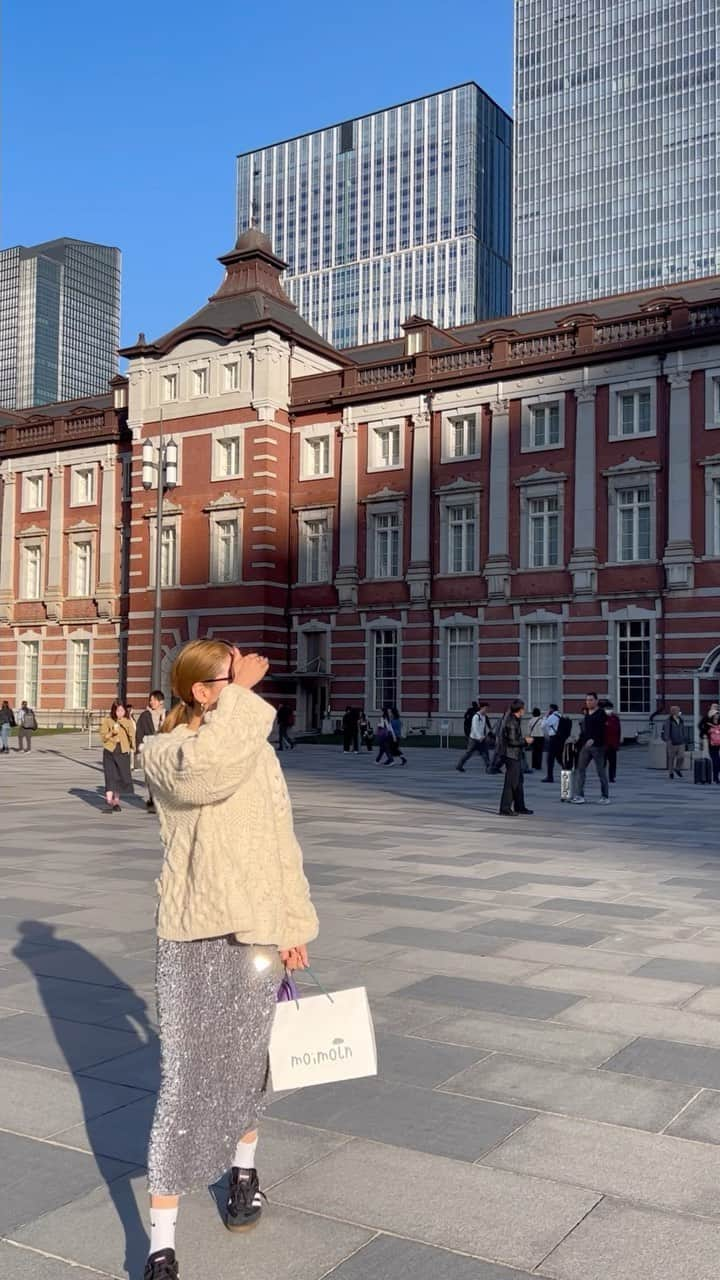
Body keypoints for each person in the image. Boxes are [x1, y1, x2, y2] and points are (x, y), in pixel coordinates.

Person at [140, 640, 318, 1280]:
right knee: (185, 1081)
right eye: (230, 677)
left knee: (251, 1064)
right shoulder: (163, 752)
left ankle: (243, 1175)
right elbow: (207, 770)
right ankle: (161, 1242)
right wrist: (242, 697)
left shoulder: (256, 749)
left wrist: (294, 923)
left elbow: (281, 838)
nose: (245, 683)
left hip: (260, 934)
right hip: (192, 935)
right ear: (201, 691)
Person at [497, 698, 534, 816]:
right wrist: (526, 741)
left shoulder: (515, 720)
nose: (524, 710)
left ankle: (520, 806)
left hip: (515, 754)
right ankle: (505, 808)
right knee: (511, 783)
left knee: (518, 782)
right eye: (523, 708)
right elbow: (512, 741)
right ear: (520, 709)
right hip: (511, 755)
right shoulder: (512, 722)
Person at [571, 692, 610, 805]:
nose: (589, 702)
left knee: (601, 772)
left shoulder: (601, 714)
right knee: (580, 769)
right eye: (587, 700)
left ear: (596, 701)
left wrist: (594, 739)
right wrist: (577, 739)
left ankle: (605, 796)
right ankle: (579, 795)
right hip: (585, 746)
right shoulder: (587, 714)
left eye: (591, 700)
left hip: (598, 747)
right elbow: (585, 731)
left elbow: (602, 730)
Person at [99, 701, 136, 812]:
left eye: (122, 710)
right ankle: (109, 800)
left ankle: (116, 800)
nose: (120, 713)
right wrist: (111, 733)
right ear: (114, 710)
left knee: (120, 776)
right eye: (118, 710)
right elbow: (103, 737)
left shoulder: (128, 722)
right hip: (110, 750)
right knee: (110, 775)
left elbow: (132, 735)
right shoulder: (107, 720)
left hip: (122, 750)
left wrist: (133, 748)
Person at [136, 690, 166, 812]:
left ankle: (161, 800)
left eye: (154, 700)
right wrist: (139, 747)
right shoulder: (145, 715)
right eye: (150, 700)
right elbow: (139, 733)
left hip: (163, 750)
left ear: (161, 701)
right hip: (148, 749)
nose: (151, 702)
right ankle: (152, 800)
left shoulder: (167, 714)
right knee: (150, 776)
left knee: (161, 776)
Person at [456, 702, 492, 772]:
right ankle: (459, 766)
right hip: (474, 739)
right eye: (486, 708)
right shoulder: (476, 717)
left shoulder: (484, 716)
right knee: (468, 753)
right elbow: (475, 728)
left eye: (487, 708)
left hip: (481, 738)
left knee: (485, 752)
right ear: (482, 708)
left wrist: (484, 736)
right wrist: (479, 737)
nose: (487, 710)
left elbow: (482, 727)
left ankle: (488, 767)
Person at [662, 706, 686, 778]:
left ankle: (678, 769)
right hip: (672, 742)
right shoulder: (669, 720)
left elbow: (683, 729)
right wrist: (668, 740)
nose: (679, 712)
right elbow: (666, 731)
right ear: (673, 712)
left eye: (679, 710)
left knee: (681, 757)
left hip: (681, 742)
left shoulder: (681, 720)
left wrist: (684, 738)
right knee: (671, 758)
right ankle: (671, 772)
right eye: (678, 711)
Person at [603, 701, 622, 783]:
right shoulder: (601, 717)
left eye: (610, 708)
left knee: (613, 762)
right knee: (602, 763)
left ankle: (612, 777)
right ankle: (602, 776)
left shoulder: (615, 718)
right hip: (603, 744)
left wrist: (618, 743)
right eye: (607, 708)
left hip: (613, 744)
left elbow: (618, 731)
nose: (609, 710)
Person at [541, 703, 560, 782]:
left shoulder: (552, 717)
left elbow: (543, 725)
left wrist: (545, 716)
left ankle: (550, 777)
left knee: (550, 759)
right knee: (560, 758)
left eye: (549, 709)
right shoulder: (560, 715)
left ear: (551, 709)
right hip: (559, 738)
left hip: (553, 739)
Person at [708, 711, 720, 784]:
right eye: (716, 714)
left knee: (717, 762)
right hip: (712, 745)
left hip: (719, 744)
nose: (717, 715)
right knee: (716, 762)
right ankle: (715, 778)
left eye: (718, 714)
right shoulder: (708, 723)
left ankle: (716, 777)